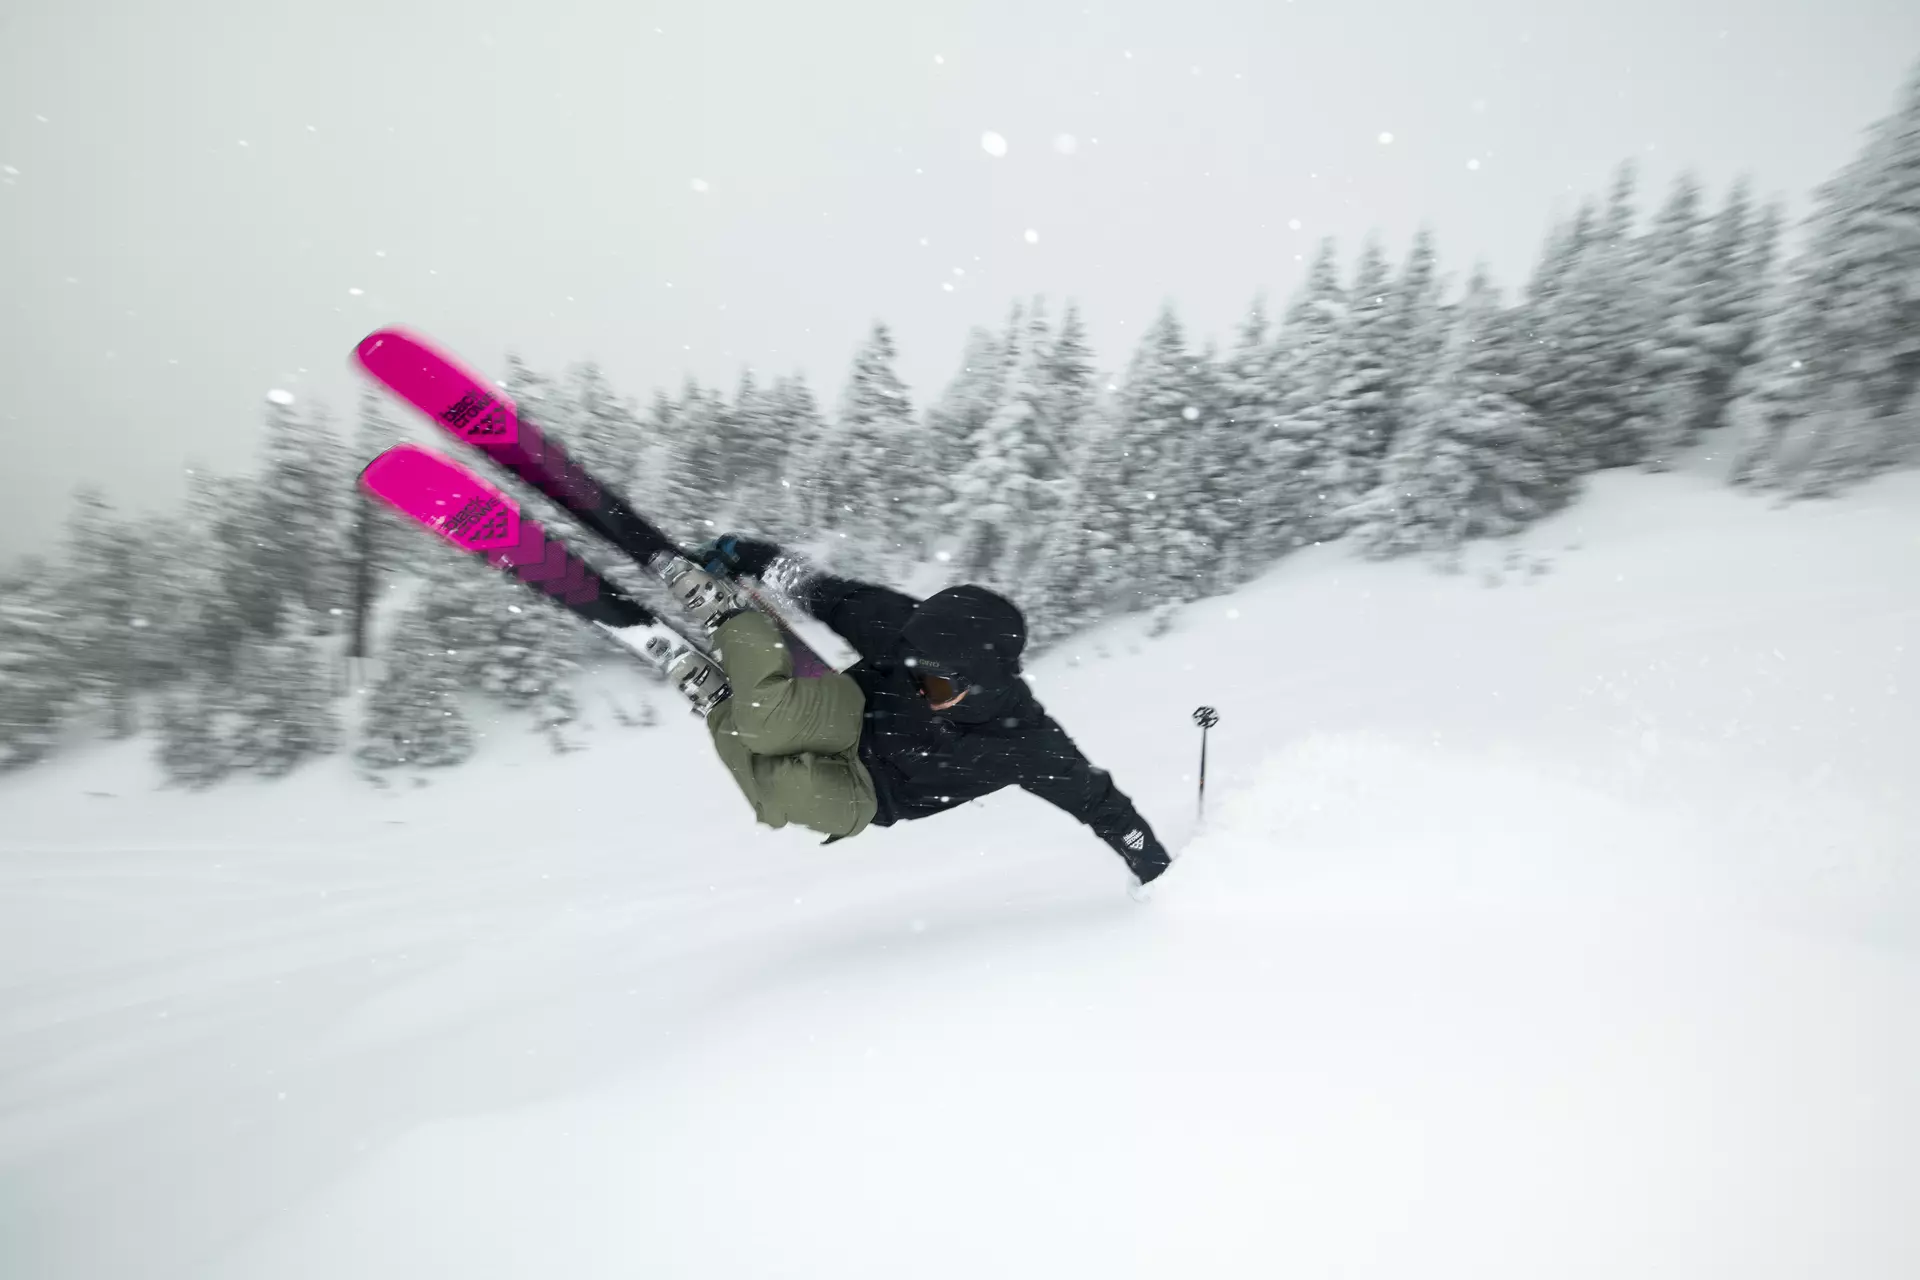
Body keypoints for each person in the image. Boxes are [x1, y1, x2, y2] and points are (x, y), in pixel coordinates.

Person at [665, 535, 1172, 889]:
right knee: (764, 723)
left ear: (983, 680)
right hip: (850, 713)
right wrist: (751, 556)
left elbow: (1101, 804)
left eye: (939, 684)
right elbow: (827, 593)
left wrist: (1156, 867)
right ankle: (729, 619)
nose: (924, 692)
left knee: (779, 801)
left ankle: (722, 706)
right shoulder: (900, 628)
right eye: (914, 674)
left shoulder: (1026, 742)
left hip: (876, 795)